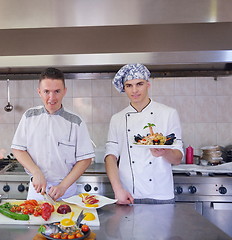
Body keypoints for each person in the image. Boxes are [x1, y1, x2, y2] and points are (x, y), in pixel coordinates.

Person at [11, 67, 95, 201]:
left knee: (67, 222)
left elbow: (85, 160)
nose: (51, 97)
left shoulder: (76, 122)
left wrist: (63, 186)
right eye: (46, 92)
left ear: (64, 91)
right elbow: (18, 149)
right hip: (37, 191)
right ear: (39, 92)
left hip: (66, 193)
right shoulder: (29, 116)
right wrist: (36, 172)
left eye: (57, 91)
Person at [105, 63, 183, 204]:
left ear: (148, 84)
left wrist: (164, 152)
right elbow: (110, 157)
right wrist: (118, 190)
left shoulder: (168, 114)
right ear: (124, 88)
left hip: (161, 194)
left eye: (139, 84)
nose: (134, 90)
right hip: (128, 194)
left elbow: (177, 158)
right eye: (129, 85)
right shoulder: (117, 119)